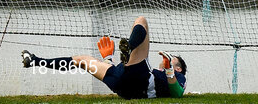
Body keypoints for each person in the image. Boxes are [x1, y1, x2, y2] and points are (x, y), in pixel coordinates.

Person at [22, 15, 187, 99]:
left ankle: (128, 48)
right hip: (121, 83)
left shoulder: (178, 76)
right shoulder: (158, 71)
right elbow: (121, 73)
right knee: (81, 60)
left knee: (141, 20)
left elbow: (177, 94)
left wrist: (169, 70)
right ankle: (34, 60)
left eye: (172, 59)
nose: (166, 59)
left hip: (138, 81)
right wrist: (108, 58)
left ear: (178, 67)